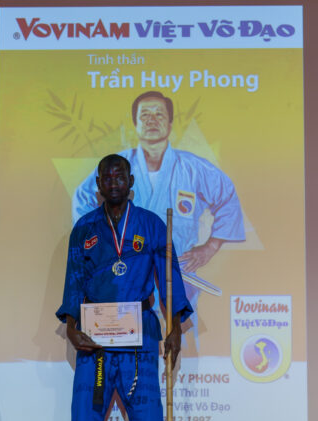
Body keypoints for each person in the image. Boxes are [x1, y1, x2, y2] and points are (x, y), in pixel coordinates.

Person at [57, 154, 192, 421]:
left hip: (140, 340)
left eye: (120, 176)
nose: (113, 181)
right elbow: (73, 279)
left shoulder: (151, 225)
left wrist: (175, 326)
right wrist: (71, 326)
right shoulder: (84, 228)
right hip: (94, 342)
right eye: (107, 176)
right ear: (98, 184)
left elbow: (169, 277)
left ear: (131, 181)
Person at [72, 91, 244, 308]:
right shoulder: (116, 165)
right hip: (125, 279)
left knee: (181, 328)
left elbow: (227, 197)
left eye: (159, 114)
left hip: (178, 280)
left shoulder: (193, 168)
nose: (152, 120)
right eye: (144, 115)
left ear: (170, 124)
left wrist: (210, 246)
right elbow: (83, 197)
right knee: (126, 328)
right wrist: (102, 243)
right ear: (135, 124)